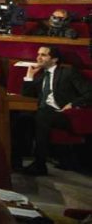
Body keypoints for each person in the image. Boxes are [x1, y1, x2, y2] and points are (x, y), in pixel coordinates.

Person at [20, 45, 92, 175]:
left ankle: (40, 164)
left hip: (64, 114)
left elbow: (89, 92)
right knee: (19, 117)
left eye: (43, 55)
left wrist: (72, 104)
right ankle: (15, 163)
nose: (38, 57)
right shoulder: (41, 75)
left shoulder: (68, 72)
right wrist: (29, 75)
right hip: (43, 112)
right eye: (38, 54)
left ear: (54, 59)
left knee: (42, 116)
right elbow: (26, 95)